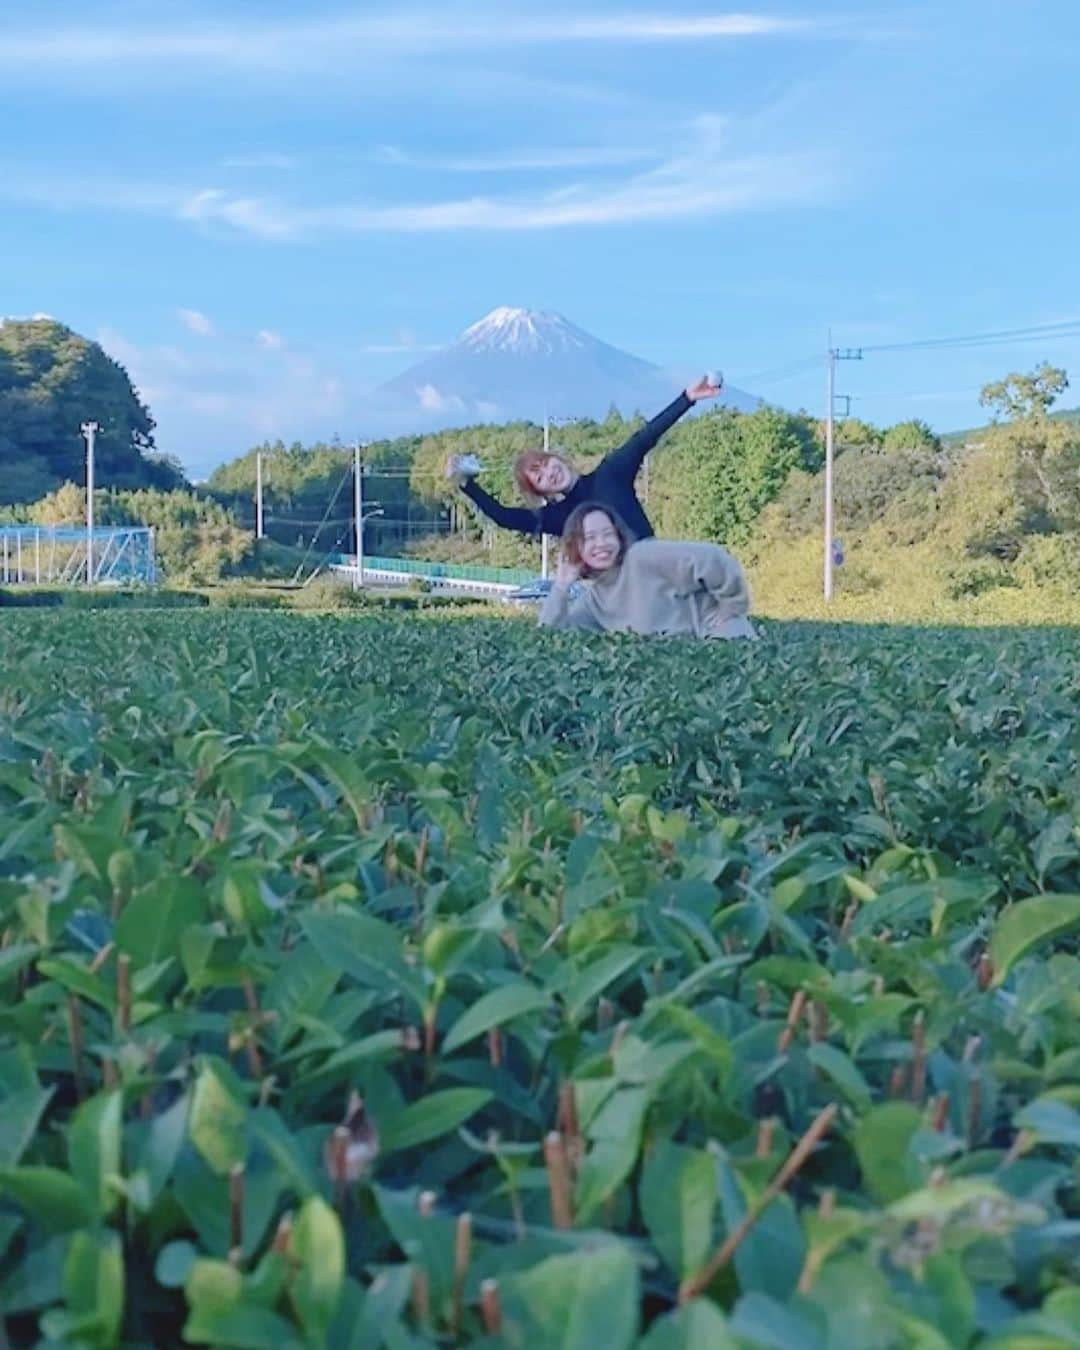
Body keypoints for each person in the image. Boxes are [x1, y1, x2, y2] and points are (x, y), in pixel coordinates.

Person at [446, 375, 723, 542]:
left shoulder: (611, 473)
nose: (549, 474)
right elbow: (504, 517)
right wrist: (467, 485)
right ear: (541, 492)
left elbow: (645, 437)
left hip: (654, 567)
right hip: (619, 588)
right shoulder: (560, 516)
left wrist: (687, 398)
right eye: (539, 478)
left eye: (546, 465)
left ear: (558, 458)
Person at [537, 503, 756, 640]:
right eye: (590, 538)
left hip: (721, 637)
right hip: (682, 669)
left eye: (607, 534)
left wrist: (733, 604)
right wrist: (561, 586)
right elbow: (550, 633)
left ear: (619, 536)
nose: (601, 543)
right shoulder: (594, 600)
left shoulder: (642, 555)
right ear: (577, 547)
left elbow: (711, 558)